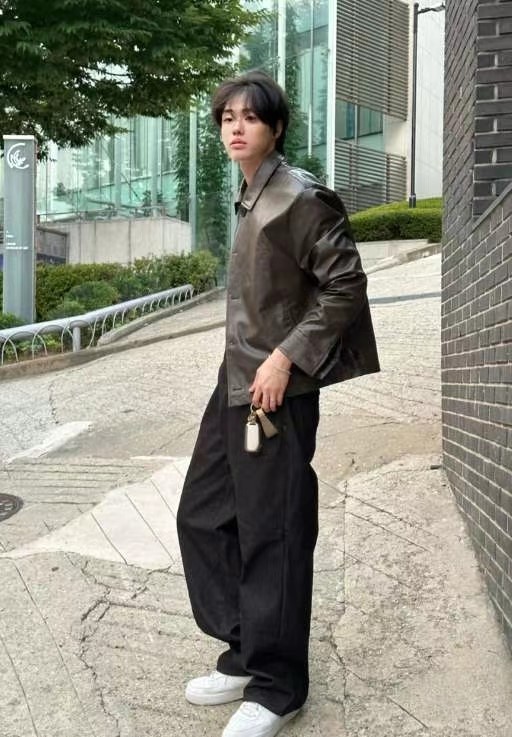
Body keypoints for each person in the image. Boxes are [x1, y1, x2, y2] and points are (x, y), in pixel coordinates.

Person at [176, 70, 380, 737]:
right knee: (204, 517)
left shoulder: (299, 196)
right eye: (226, 118)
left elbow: (345, 285)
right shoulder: (248, 195)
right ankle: (247, 648)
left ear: (277, 127)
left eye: (251, 117)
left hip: (277, 389)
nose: (236, 127)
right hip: (235, 381)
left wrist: (285, 357)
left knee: (275, 533)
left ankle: (278, 686)